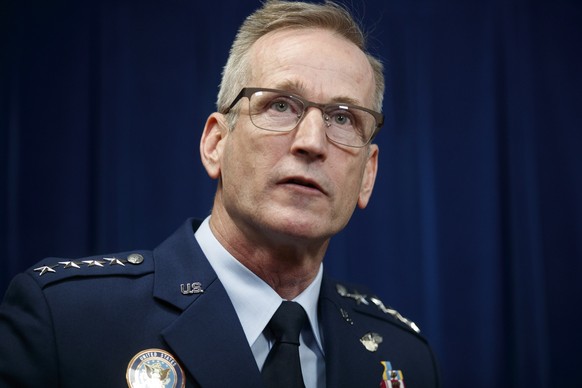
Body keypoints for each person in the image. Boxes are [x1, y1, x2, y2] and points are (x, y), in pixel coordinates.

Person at [0, 1, 440, 387]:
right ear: (216, 143)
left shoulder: (405, 359)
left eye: (343, 119)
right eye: (280, 105)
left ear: (367, 175)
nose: (313, 142)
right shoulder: (67, 321)